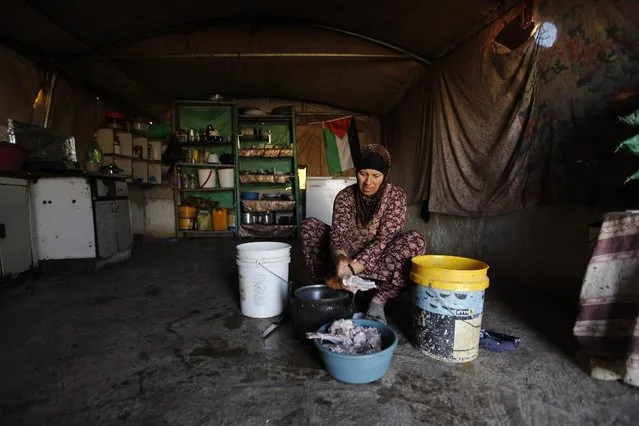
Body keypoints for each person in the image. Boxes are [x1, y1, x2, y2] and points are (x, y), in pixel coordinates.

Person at [300, 144, 426, 324]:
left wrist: (352, 269)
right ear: (356, 172)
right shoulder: (345, 196)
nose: (368, 182)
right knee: (309, 226)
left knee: (415, 241)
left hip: (379, 259)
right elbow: (338, 233)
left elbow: (385, 240)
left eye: (376, 176)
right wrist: (341, 258)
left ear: (385, 175)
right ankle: (337, 293)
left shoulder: (395, 196)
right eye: (363, 174)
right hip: (348, 260)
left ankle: (377, 302)